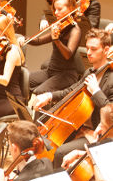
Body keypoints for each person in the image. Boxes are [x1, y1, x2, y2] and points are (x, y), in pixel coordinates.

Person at [33, 28, 113, 167]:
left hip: (97, 135)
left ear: (106, 50)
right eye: (87, 48)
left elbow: (111, 114)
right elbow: (70, 91)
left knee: (60, 152)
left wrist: (96, 91)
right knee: (44, 142)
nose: (88, 53)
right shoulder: (89, 72)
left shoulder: (111, 78)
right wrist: (49, 95)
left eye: (94, 49)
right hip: (78, 127)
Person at [25, 0, 82, 94]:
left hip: (66, 74)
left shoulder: (75, 30)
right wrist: (23, 39)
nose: (56, 13)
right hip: (51, 71)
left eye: (59, 9)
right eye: (55, 9)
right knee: (24, 80)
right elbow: (39, 41)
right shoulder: (60, 26)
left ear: (71, 9)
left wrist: (56, 40)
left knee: (40, 91)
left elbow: (68, 55)